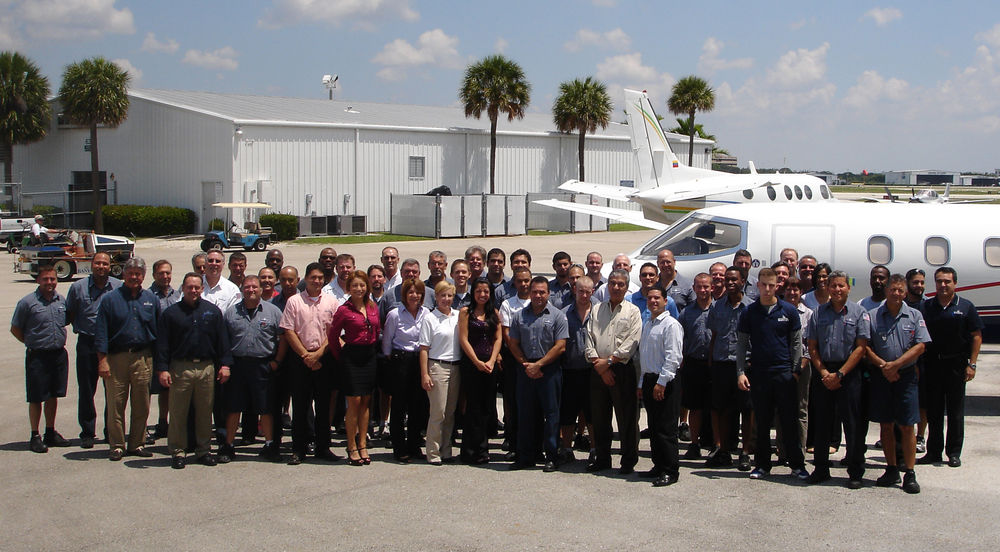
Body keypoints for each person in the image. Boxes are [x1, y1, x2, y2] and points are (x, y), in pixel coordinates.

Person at [736, 268, 809, 481]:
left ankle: (797, 465)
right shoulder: (749, 312)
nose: (767, 289)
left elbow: (797, 344)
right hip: (759, 374)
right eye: (764, 285)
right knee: (762, 420)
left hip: (784, 374)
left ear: (778, 286)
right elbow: (741, 345)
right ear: (757, 285)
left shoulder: (789, 311)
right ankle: (762, 465)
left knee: (789, 422)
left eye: (771, 285)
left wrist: (795, 372)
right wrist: (741, 373)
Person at [155, 273, 232, 469]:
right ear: (183, 288)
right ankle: (178, 451)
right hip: (180, 367)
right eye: (190, 287)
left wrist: (225, 365)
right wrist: (162, 370)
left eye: (197, 287)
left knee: (205, 411)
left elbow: (222, 341)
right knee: (179, 412)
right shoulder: (171, 313)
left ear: (202, 289)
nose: (194, 290)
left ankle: (203, 451)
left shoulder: (212, 312)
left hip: (207, 367)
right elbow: (162, 344)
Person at [865, 274, 931, 494]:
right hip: (882, 377)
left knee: (906, 425)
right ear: (887, 291)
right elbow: (865, 346)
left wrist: (897, 365)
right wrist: (885, 366)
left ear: (905, 293)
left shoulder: (914, 315)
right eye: (892, 289)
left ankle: (909, 472)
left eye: (900, 290)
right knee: (885, 424)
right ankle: (891, 468)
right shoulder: (872, 316)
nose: (896, 293)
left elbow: (921, 345)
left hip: (906, 377)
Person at [806, 270, 871, 488]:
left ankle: (854, 471)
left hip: (849, 374)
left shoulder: (859, 313)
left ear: (848, 288)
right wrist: (824, 373)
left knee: (852, 424)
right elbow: (812, 347)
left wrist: (841, 374)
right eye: (833, 285)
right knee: (822, 423)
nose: (837, 289)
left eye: (841, 285)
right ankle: (821, 468)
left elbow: (861, 347)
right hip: (824, 373)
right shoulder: (818, 314)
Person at [95, 257, 160, 461]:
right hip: (116, 358)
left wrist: (159, 362)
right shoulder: (110, 300)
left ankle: (137, 444)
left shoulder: (151, 299)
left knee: (142, 403)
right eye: (130, 273)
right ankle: (116, 445)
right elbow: (101, 333)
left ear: (143, 276)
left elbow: (158, 331)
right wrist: (102, 361)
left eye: (138, 274)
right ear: (123, 275)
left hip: (143, 357)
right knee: (116, 403)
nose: (134, 277)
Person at [279, 262, 341, 466]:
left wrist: (317, 355)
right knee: (301, 406)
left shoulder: (332, 302)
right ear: (306, 279)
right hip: (300, 359)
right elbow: (288, 331)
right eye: (313, 277)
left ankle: (323, 447)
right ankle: (299, 448)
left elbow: (334, 332)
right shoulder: (294, 302)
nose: (316, 281)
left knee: (323, 406)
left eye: (320, 278)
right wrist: (306, 355)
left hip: (324, 359)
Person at [919, 267, 982, 468]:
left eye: (947, 281)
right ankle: (934, 452)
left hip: (956, 365)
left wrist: (971, 364)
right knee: (934, 411)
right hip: (932, 364)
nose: (943, 285)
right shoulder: (927, 307)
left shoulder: (966, 307)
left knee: (955, 412)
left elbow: (976, 337)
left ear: (955, 283)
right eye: (939, 281)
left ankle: (954, 452)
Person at [219, 276, 285, 464]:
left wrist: (277, 361)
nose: (251, 290)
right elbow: (224, 341)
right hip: (238, 365)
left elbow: (283, 338)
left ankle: (270, 445)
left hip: (263, 365)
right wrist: (226, 365)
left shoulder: (273, 311)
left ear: (260, 289)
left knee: (265, 408)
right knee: (233, 408)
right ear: (242, 290)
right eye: (247, 287)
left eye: (254, 287)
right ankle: (228, 446)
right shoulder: (231, 313)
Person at [508, 276, 569, 472]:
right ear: (530, 293)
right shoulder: (519, 316)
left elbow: (560, 346)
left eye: (542, 292)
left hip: (549, 370)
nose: (538, 295)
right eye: (535, 292)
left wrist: (539, 365)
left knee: (551, 415)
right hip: (525, 368)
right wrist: (526, 365)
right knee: (525, 414)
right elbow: (513, 344)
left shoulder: (558, 315)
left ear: (548, 293)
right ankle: (527, 455)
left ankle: (551, 456)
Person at [585, 269, 642, 474]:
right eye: (613, 283)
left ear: (627, 287)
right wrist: (600, 367)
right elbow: (588, 339)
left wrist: (608, 362)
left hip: (622, 370)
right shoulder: (596, 309)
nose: (616, 287)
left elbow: (632, 342)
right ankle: (602, 458)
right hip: (598, 370)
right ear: (607, 286)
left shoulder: (633, 311)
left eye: (621, 284)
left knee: (626, 418)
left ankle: (628, 461)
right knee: (600, 417)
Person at [11, 266, 70, 453]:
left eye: (52, 279)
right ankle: (35, 435)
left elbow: (66, 321)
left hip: (58, 354)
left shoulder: (61, 301)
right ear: (38, 280)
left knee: (53, 395)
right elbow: (16, 329)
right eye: (45, 279)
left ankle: (50, 432)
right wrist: (31, 342)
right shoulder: (27, 303)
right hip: (38, 356)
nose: (50, 282)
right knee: (37, 397)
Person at [65, 251, 121, 448]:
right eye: (97, 263)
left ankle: (110, 431)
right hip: (87, 344)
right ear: (91, 264)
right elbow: (71, 314)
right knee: (87, 389)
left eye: (105, 264)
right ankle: (87, 432)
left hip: (112, 346)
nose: (101, 267)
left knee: (112, 391)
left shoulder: (118, 287)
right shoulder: (77, 287)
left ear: (110, 265)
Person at [329, 270, 381, 466]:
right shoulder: (344, 309)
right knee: (354, 402)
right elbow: (333, 336)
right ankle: (351, 445)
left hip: (369, 356)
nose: (359, 289)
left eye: (362, 285)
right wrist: (341, 357)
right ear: (349, 288)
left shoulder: (372, 306)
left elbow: (376, 330)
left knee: (366, 401)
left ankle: (362, 443)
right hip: (351, 357)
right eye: (355, 286)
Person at [706, 265, 753, 470]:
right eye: (728, 279)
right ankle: (724, 451)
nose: (731, 282)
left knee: (746, 409)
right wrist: (711, 360)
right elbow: (714, 335)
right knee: (722, 408)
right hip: (721, 363)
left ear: (743, 281)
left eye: (735, 279)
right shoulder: (717, 306)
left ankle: (745, 452)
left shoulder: (752, 307)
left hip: (744, 365)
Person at [636, 285, 684, 487]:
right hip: (649, 380)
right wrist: (641, 383)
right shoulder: (648, 324)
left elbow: (674, 357)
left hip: (665, 382)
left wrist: (661, 383)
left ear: (666, 301)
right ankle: (658, 465)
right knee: (654, 427)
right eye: (650, 298)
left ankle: (670, 470)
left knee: (666, 428)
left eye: (657, 298)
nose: (653, 301)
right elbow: (644, 356)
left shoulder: (671, 325)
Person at [382, 277, 430, 462]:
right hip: (400, 360)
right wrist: (397, 361)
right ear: (404, 294)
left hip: (419, 361)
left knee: (417, 406)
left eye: (418, 292)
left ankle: (414, 445)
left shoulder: (427, 314)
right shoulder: (395, 314)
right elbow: (387, 343)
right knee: (399, 406)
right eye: (410, 292)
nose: (414, 295)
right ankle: (399, 448)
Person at [459, 278, 502, 464]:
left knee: (486, 408)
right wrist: (476, 362)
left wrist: (492, 360)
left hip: (489, 365)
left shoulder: (494, 313)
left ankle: (483, 449)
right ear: (473, 292)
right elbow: (463, 339)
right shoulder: (465, 312)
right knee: (473, 407)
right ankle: (469, 451)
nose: (482, 295)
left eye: (486, 291)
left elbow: (498, 338)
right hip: (472, 365)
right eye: (478, 291)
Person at [420, 281, 461, 465]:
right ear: (436, 297)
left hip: (456, 367)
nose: (446, 299)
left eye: (450, 295)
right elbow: (423, 348)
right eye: (442, 295)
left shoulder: (459, 316)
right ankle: (433, 452)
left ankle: (446, 451)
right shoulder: (430, 318)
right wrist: (425, 374)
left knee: (451, 412)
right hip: (437, 367)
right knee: (438, 412)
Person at [677, 273, 713, 459]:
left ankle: (717, 444)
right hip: (693, 364)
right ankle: (695, 443)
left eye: (706, 286)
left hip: (714, 365)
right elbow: (681, 338)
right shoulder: (687, 312)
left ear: (712, 288)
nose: (703, 290)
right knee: (694, 406)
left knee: (715, 406)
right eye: (699, 286)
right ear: (694, 288)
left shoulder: (718, 309)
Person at [560, 275, 595, 464]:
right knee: (567, 412)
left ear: (593, 292)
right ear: (575, 290)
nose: (583, 294)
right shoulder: (564, 313)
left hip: (592, 371)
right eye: (580, 290)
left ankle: (594, 449)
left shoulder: (599, 313)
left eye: (587, 291)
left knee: (592, 412)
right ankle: (566, 448)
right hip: (569, 371)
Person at [500, 267, 532, 461]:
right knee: (513, 403)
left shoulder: (539, 301)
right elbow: (507, 335)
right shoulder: (508, 305)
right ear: (515, 283)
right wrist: (521, 360)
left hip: (536, 359)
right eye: (519, 281)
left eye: (527, 280)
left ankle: (534, 443)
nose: (524, 284)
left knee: (533, 404)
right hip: (514, 359)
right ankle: (514, 443)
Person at [782, 276, 812, 461]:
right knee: (781, 409)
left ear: (801, 292)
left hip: (803, 366)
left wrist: (799, 368)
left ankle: (799, 452)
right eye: (789, 289)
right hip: (781, 366)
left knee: (801, 409)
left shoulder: (808, 314)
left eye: (796, 289)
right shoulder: (777, 310)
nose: (792, 293)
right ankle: (783, 451)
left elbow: (809, 345)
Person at [149, 259, 179, 440]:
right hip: (152, 349)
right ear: (154, 275)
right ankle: (145, 426)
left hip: (173, 351)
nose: (165, 276)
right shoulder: (147, 296)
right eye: (161, 273)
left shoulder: (177, 295)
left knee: (167, 389)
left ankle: (164, 423)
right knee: (147, 391)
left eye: (168, 273)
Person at [904, 267, 928, 453]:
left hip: (923, 359)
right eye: (915, 282)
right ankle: (900, 434)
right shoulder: (900, 304)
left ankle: (920, 436)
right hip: (902, 360)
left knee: (922, 402)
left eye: (921, 282)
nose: (919, 286)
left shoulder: (928, 306)